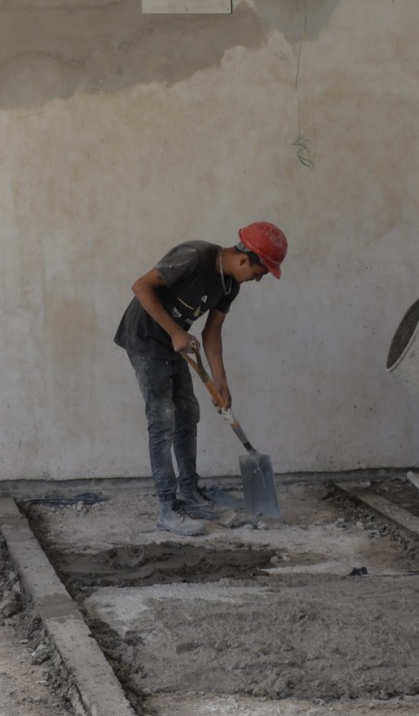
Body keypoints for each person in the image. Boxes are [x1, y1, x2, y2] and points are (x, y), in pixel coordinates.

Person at [114, 222, 288, 536]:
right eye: (259, 272)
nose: (258, 279)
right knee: (163, 419)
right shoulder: (194, 256)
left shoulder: (230, 285)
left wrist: (222, 382)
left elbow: (212, 333)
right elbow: (140, 286)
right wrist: (175, 332)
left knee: (188, 413)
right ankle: (168, 509)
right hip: (145, 338)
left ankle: (191, 495)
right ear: (245, 259)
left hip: (175, 343)